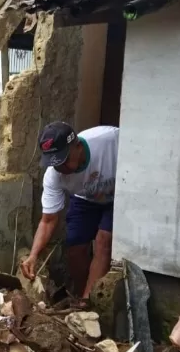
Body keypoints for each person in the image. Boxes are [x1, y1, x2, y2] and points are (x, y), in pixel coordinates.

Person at [20, 122, 119, 300]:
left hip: (118, 196)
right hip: (85, 198)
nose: (60, 168)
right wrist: (33, 256)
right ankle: (82, 294)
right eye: (54, 163)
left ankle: (88, 301)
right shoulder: (53, 175)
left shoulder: (110, 140)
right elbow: (48, 220)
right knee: (74, 246)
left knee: (104, 240)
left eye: (63, 161)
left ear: (78, 146)